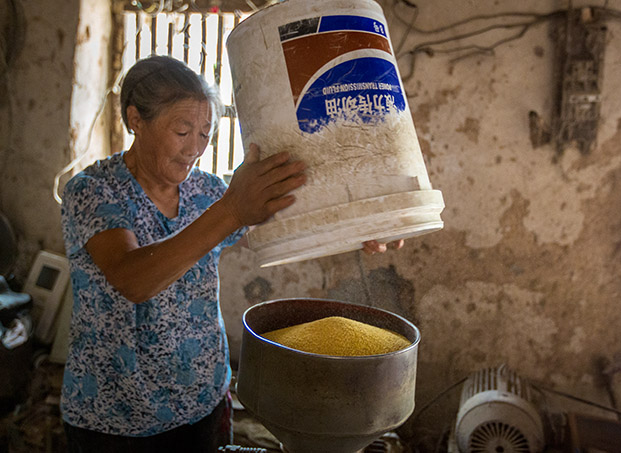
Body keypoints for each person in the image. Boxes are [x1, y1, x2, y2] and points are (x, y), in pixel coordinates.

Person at [59, 55, 400, 453]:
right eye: (182, 130)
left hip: (203, 401)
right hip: (115, 418)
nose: (196, 149)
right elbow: (133, 279)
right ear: (136, 120)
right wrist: (233, 209)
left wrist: (363, 229)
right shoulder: (94, 190)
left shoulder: (205, 190)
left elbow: (284, 226)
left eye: (205, 133)